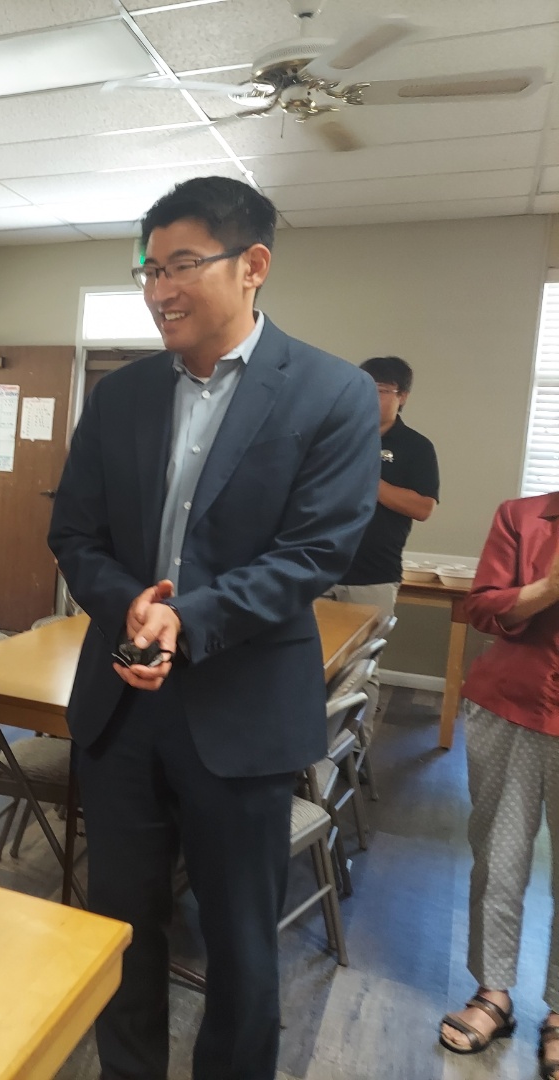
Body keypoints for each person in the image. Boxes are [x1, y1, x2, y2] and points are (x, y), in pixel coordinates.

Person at [47, 176, 380, 1080]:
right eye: (149, 270)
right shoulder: (122, 395)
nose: (159, 290)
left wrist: (186, 620)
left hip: (242, 715)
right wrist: (131, 605)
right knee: (121, 932)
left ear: (253, 265)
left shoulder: (331, 393)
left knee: (241, 947)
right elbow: (73, 533)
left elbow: (315, 552)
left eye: (182, 265)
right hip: (120, 707)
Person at [437, 492, 559, 1076]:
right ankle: (494, 992)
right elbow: (482, 608)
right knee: (498, 857)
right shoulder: (522, 517)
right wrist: (548, 588)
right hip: (510, 708)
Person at [325, 355, 439, 622]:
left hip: (374, 576)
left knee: (365, 648)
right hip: (319, 569)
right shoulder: (333, 436)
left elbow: (423, 508)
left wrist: (367, 480)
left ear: (403, 397)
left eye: (381, 390)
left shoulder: (416, 447)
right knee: (309, 648)